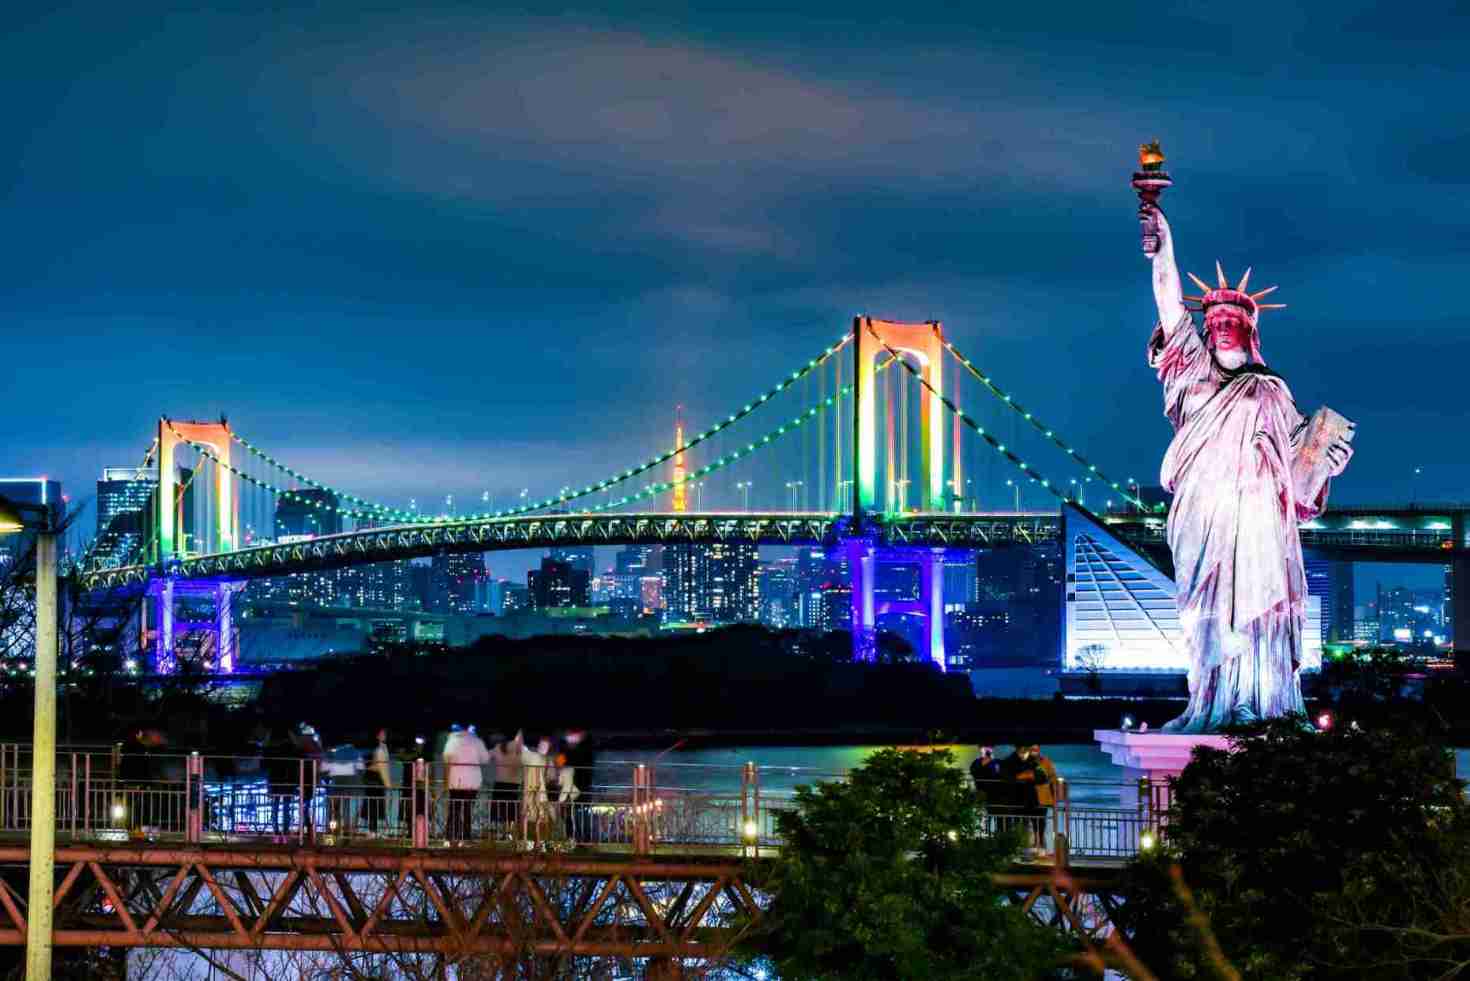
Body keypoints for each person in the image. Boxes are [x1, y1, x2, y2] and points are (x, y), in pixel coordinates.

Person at [1139, 199, 1353, 731]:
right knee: (1208, 607)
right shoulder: (1190, 374)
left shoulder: (1272, 391)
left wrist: (1329, 462)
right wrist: (1161, 244)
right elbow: (1169, 306)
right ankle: (1211, 700)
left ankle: (1263, 701)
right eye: (1213, 320)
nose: (1222, 326)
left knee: (1262, 605)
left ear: (1250, 328)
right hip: (1206, 514)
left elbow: (1302, 478)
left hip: (1260, 516)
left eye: (1232, 319)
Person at [443, 723, 490, 843]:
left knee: (454, 808)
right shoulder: (477, 741)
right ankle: (466, 836)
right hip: (472, 781)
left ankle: (450, 835)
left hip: (455, 781)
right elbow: (485, 759)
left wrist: (446, 782)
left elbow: (446, 759)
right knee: (468, 808)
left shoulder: (452, 741)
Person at [558, 729, 595, 839]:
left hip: (578, 789)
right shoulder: (583, 750)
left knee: (579, 816)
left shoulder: (583, 751)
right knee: (575, 816)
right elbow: (560, 763)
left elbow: (561, 763)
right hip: (576, 789)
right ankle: (578, 840)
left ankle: (579, 840)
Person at [490, 731, 524, 826]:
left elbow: (486, 757)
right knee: (511, 811)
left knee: (498, 810)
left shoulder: (499, 747)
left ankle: (497, 832)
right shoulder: (520, 749)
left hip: (499, 784)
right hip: (513, 784)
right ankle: (510, 833)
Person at [365, 728, 394, 837]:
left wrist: (387, 782)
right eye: (381, 734)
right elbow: (382, 767)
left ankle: (374, 830)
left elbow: (384, 767)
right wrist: (388, 784)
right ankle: (373, 830)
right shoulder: (379, 749)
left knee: (375, 805)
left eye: (384, 733)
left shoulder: (382, 748)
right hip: (375, 778)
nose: (384, 735)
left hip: (375, 778)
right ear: (377, 736)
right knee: (374, 805)